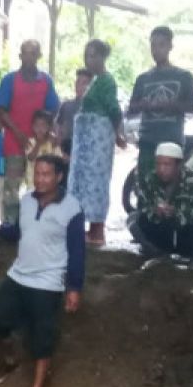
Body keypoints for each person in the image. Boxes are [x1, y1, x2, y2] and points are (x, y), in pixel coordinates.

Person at [0, 154, 85, 387]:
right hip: (18, 275)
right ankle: (8, 361)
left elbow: (77, 252)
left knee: (42, 338)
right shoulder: (27, 200)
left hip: (48, 282)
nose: (39, 179)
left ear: (59, 177)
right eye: (37, 173)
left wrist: (74, 287)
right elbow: (19, 231)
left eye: (46, 174)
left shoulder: (72, 208)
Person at [0, 40, 61, 224]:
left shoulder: (46, 81)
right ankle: (10, 223)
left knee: (40, 184)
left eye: (33, 53)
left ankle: (37, 222)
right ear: (20, 56)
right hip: (15, 143)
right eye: (25, 53)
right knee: (12, 187)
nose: (29, 57)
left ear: (39, 56)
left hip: (40, 145)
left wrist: (49, 131)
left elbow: (53, 108)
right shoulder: (10, 80)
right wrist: (17, 132)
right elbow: (0, 109)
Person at [68, 40, 126, 247]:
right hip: (86, 142)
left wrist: (119, 133)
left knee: (97, 182)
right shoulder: (93, 80)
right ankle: (88, 228)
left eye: (93, 55)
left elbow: (114, 109)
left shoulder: (106, 81)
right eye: (87, 55)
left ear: (103, 57)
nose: (89, 59)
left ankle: (97, 230)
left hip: (98, 140)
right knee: (84, 183)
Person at [127, 26, 193, 193]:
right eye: (153, 45)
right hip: (147, 141)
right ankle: (144, 218)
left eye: (161, 45)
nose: (156, 50)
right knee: (145, 186)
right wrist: (143, 105)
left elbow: (192, 105)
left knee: (171, 189)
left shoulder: (183, 76)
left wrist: (173, 105)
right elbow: (131, 109)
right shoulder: (143, 78)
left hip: (171, 142)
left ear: (170, 46)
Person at [127, 142, 193, 260]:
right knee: (133, 219)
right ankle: (157, 253)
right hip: (162, 231)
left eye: (167, 165)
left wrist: (175, 213)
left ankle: (192, 257)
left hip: (187, 234)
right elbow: (144, 207)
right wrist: (155, 211)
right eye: (158, 164)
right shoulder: (150, 179)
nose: (161, 169)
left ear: (179, 165)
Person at [25, 110, 62, 188]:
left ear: (49, 128)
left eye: (43, 126)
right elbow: (30, 158)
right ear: (32, 127)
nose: (40, 129)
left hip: (49, 182)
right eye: (37, 126)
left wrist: (56, 142)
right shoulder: (30, 142)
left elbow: (59, 158)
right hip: (33, 182)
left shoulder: (52, 142)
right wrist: (38, 143)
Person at [56, 68, 92, 145]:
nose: (79, 85)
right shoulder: (66, 105)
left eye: (84, 83)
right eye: (78, 82)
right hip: (67, 147)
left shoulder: (96, 108)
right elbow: (58, 126)